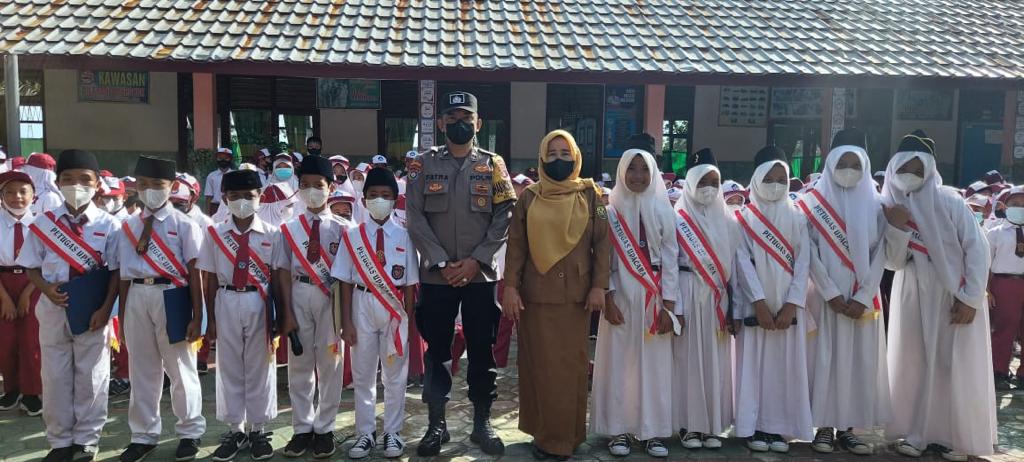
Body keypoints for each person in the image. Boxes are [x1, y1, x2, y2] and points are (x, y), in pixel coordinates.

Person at [406, 91, 515, 457]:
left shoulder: (493, 164)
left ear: (478, 123)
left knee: (481, 351)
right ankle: (437, 424)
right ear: (440, 123)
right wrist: (439, 260)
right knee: (437, 352)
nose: (458, 123)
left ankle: (481, 422)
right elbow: (415, 217)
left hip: (480, 276)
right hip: (437, 277)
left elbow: (504, 215)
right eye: (451, 117)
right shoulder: (421, 164)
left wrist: (476, 261)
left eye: (466, 117)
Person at [882, 130, 996, 461]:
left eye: (918, 170)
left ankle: (952, 438)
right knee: (915, 363)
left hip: (953, 294)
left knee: (951, 365)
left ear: (930, 170)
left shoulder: (950, 200)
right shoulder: (891, 206)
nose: (911, 176)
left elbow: (978, 249)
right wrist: (897, 227)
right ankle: (918, 433)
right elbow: (893, 261)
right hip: (913, 292)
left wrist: (971, 298)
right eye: (905, 169)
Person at [502, 130, 609, 460]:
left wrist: (598, 287)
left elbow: (603, 244)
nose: (559, 159)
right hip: (536, 297)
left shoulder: (591, 195)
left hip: (576, 298)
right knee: (540, 369)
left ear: (576, 157)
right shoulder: (530, 197)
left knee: (571, 369)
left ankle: (568, 437)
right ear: (542, 158)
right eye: (553, 153)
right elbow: (517, 247)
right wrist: (510, 288)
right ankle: (547, 436)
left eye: (566, 153)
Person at [18, 149, 121, 462]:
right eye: (68, 179)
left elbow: (116, 272)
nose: (76, 184)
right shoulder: (42, 223)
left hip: (93, 311)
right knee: (55, 376)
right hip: (53, 308)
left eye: (84, 179)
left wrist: (105, 309)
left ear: (96, 184)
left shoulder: (110, 224)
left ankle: (87, 440)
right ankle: (60, 441)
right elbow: (30, 266)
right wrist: (46, 289)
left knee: (92, 377)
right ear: (57, 182)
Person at [800, 129, 889, 456]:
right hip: (825, 298)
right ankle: (822, 425)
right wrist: (830, 292)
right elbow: (807, 251)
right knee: (824, 360)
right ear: (830, 163)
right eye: (843, 162)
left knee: (857, 362)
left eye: (855, 163)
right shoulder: (811, 204)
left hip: (863, 300)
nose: (848, 168)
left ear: (865, 165)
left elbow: (882, 253)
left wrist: (864, 295)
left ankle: (850, 427)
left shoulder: (878, 206)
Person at [591, 134, 680, 458]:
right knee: (620, 366)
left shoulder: (664, 210)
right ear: (622, 172)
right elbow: (603, 260)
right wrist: (609, 299)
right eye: (632, 169)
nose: (638, 176)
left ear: (654, 172)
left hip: (655, 298)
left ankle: (653, 430)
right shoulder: (609, 211)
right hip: (621, 297)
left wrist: (669, 306)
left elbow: (671, 260)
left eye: (645, 169)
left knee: (655, 367)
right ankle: (620, 430)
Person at [115, 157, 206, 462]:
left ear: (171, 187)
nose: (150, 190)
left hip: (172, 294)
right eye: (143, 184)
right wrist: (124, 316)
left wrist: (197, 315)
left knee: (181, 368)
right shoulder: (127, 227)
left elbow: (195, 272)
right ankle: (143, 435)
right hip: (138, 295)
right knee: (142, 370)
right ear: (135, 187)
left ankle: (190, 432)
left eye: (158, 185)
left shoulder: (185, 225)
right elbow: (123, 275)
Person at [333, 167, 419, 459]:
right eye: (373, 195)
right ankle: (365, 434)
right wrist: (346, 321)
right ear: (363, 199)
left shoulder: (406, 236)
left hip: (394, 310)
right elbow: (344, 280)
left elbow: (409, 284)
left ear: (395, 199)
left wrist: (406, 321)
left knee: (395, 375)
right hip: (362, 305)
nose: (379, 200)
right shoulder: (352, 236)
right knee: (363, 374)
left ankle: (392, 433)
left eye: (385, 195)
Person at [198, 170, 283, 462]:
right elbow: (208, 278)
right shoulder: (215, 234)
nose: (243, 201)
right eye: (235, 196)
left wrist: (281, 317)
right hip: (226, 298)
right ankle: (235, 429)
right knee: (229, 365)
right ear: (224, 199)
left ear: (260, 197)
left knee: (261, 366)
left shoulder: (273, 235)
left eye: (249, 195)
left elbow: (279, 278)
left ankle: (258, 429)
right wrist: (209, 320)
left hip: (259, 301)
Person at [733, 145, 813, 453]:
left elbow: (803, 263)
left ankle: (777, 429)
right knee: (752, 366)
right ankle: (751, 426)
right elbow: (742, 262)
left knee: (784, 368)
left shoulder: (798, 218)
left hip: (788, 309)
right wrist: (759, 302)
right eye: (770, 178)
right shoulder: (743, 218)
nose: (777, 184)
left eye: (782, 178)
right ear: (756, 179)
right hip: (758, 308)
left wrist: (791, 304)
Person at [669, 148, 740, 451]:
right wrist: (677, 308)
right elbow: (670, 265)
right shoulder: (676, 218)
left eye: (714, 181)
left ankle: (713, 424)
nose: (709, 188)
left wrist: (735, 308)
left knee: (716, 362)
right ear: (690, 184)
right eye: (703, 182)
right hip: (687, 292)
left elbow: (735, 271)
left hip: (717, 299)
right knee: (687, 362)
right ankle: (688, 424)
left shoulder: (730, 221)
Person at [275, 156, 346, 458]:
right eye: (305, 186)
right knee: (300, 364)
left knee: (330, 364)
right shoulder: (287, 229)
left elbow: (348, 275)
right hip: (299, 293)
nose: (311, 191)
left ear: (331, 188)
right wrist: (286, 313)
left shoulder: (344, 228)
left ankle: (325, 427)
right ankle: (302, 427)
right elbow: (280, 271)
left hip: (331, 300)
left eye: (318, 185)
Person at [0, 171, 42, 417]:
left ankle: (31, 391)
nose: (16, 197)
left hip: (33, 282)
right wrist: (4, 298)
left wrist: (28, 292)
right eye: (9, 192)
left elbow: (46, 264)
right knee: (5, 341)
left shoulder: (42, 224)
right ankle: (12, 388)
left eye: (22, 192)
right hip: (2, 283)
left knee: (31, 340)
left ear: (33, 195)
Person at [989, 186, 1024, 390]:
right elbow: (985, 263)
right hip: (1004, 283)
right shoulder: (995, 233)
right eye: (1015, 205)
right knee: (1004, 327)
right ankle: (998, 369)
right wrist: (987, 288)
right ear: (1004, 207)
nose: (1020, 208)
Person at [205, 148, 235, 215]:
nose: (223, 160)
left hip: (231, 207)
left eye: (226, 158)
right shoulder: (211, 176)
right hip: (215, 208)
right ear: (216, 159)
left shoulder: (235, 175)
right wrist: (207, 214)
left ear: (230, 159)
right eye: (220, 158)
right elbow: (208, 196)